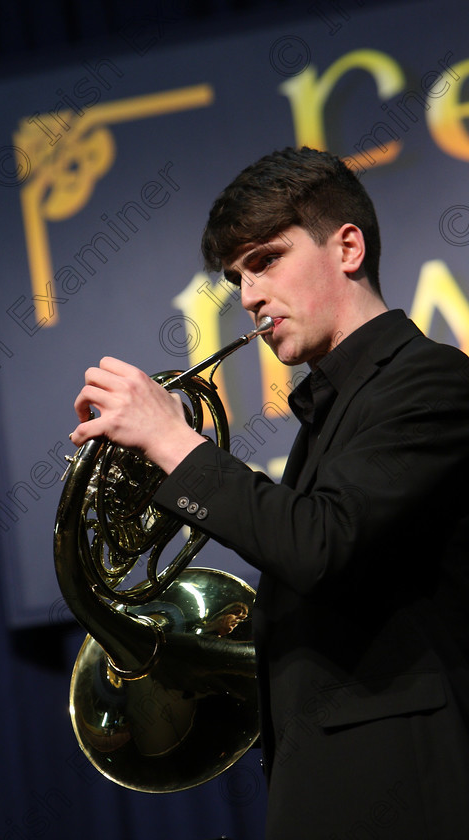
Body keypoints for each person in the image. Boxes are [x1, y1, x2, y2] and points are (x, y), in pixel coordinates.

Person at [70, 147, 469, 838]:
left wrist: (171, 442)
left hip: (407, 794)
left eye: (265, 261)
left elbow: (318, 543)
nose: (248, 295)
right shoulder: (330, 411)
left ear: (347, 247)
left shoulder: (431, 381)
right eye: (236, 276)